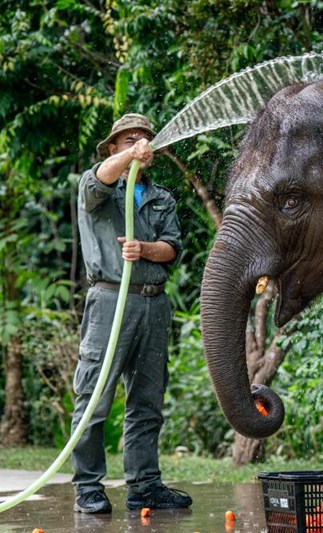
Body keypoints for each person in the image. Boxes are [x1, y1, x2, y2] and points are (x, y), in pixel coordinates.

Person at [71, 113, 191, 514]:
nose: (140, 144)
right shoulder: (98, 187)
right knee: (94, 396)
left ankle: (145, 486)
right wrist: (127, 158)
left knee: (147, 401)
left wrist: (144, 249)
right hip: (109, 302)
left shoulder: (163, 198)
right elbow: (101, 178)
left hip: (154, 303)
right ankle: (89, 487)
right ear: (112, 148)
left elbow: (172, 248)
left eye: (144, 139)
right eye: (128, 140)